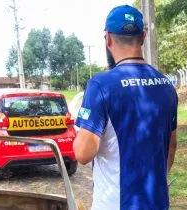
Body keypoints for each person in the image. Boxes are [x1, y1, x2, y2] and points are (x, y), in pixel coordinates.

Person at [73, 5, 178, 210]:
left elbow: (83, 154)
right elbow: (171, 146)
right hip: (157, 201)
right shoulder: (166, 85)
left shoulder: (100, 86)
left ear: (108, 39)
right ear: (143, 36)